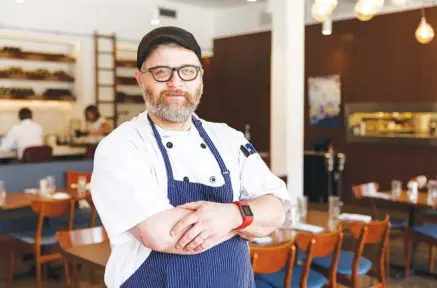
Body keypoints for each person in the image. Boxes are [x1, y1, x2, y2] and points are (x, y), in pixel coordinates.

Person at [91, 26, 291, 288]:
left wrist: (231, 215)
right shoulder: (121, 145)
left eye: (187, 71)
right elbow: (160, 235)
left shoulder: (228, 138)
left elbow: (276, 211)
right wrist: (246, 219)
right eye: (161, 72)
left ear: (200, 78)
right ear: (140, 79)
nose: (176, 83)